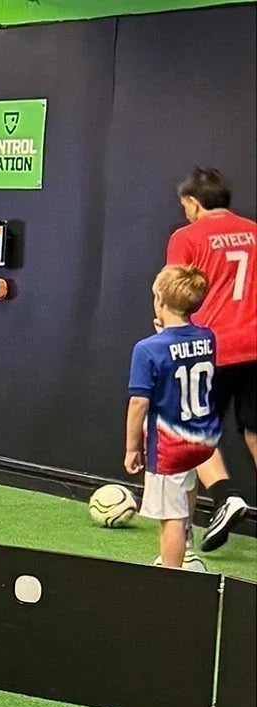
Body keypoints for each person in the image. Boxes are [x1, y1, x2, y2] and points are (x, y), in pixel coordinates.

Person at [167, 167, 256, 552]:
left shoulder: (186, 237)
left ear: (193, 203)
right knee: (255, 431)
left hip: (209, 348)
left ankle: (210, 511)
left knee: (189, 434)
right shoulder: (254, 231)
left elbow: (174, 293)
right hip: (255, 347)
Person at [127, 265, 219, 570]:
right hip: (202, 438)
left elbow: (139, 402)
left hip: (170, 447)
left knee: (172, 519)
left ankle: (171, 579)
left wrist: (131, 448)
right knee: (187, 488)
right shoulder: (208, 337)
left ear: (160, 302)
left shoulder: (147, 349)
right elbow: (182, 353)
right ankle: (187, 550)